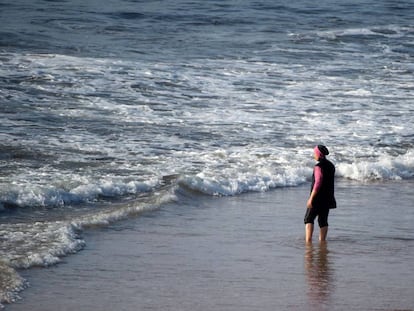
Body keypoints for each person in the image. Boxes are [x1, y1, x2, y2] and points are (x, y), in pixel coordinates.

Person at [304, 145, 336, 243]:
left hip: (317, 198)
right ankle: (322, 242)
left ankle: (308, 242)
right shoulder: (331, 165)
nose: (314, 155)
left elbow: (318, 182)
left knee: (308, 219)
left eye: (315, 153)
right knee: (323, 220)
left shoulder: (318, 167)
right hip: (328, 197)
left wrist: (311, 198)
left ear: (318, 154)